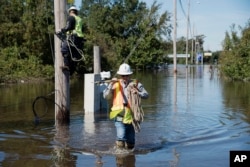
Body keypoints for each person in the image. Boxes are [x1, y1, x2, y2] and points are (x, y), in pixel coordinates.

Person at [103, 63, 149, 150]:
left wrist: (138, 93)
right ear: (120, 75)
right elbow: (106, 96)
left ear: (130, 75)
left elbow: (146, 95)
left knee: (131, 142)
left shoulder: (136, 84)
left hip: (132, 116)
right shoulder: (114, 84)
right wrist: (110, 85)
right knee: (121, 138)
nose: (125, 77)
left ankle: (129, 159)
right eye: (123, 76)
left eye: (127, 75)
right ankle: (119, 160)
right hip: (119, 115)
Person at [60, 6, 84, 75]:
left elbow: (68, 27)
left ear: (70, 12)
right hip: (79, 39)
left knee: (64, 50)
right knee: (74, 55)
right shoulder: (80, 19)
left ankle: (67, 66)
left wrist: (62, 30)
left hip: (72, 37)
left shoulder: (71, 17)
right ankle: (72, 70)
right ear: (76, 12)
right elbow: (82, 30)